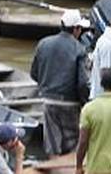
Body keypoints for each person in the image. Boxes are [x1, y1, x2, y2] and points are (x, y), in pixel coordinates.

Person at [29, 9, 91, 156]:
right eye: (80, 29)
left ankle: (53, 167)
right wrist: (85, 102)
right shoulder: (80, 49)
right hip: (70, 103)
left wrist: (46, 87)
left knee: (52, 144)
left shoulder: (43, 44)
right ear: (76, 29)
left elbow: (34, 73)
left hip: (48, 101)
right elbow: (83, 83)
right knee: (73, 144)